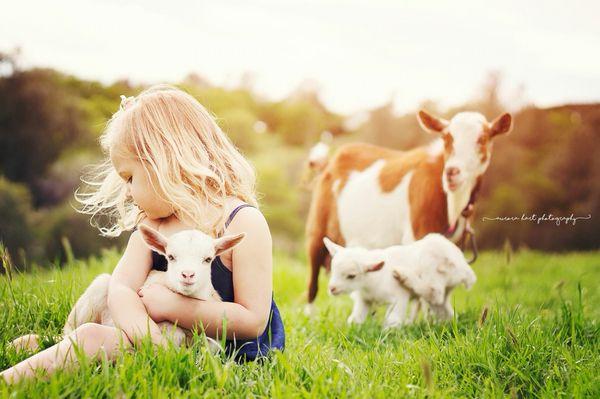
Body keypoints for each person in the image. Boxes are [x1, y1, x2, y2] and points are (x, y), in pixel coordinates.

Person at [1, 85, 284, 384]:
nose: (127, 191)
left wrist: (174, 307)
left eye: (129, 177)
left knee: (92, 339)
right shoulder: (154, 226)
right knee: (102, 293)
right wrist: (154, 344)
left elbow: (253, 321)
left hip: (223, 356)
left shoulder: (242, 222)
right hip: (155, 340)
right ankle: (61, 341)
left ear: (162, 161)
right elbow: (121, 289)